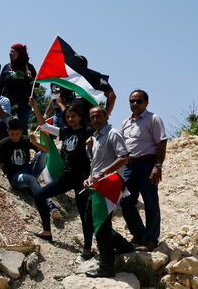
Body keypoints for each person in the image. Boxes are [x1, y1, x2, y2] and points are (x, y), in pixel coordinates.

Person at [30, 98, 96, 259]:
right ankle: (47, 231)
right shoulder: (65, 131)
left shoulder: (88, 131)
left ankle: (87, 248)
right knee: (39, 196)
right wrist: (36, 107)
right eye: (67, 117)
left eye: (73, 116)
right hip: (67, 176)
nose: (70, 119)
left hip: (83, 179)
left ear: (80, 116)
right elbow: (44, 126)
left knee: (84, 214)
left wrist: (91, 143)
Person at [84, 106, 133, 278]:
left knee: (101, 226)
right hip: (97, 185)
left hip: (108, 184)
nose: (95, 120)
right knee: (93, 221)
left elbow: (124, 158)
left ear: (106, 116)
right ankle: (123, 246)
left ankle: (106, 267)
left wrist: (101, 174)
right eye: (92, 117)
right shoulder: (96, 137)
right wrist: (90, 177)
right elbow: (97, 163)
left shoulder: (113, 133)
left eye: (98, 116)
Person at [120, 89, 167, 252]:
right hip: (129, 166)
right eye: (132, 101)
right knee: (125, 202)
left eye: (138, 101)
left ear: (146, 103)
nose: (134, 104)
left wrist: (157, 165)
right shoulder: (126, 123)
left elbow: (162, 143)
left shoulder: (153, 119)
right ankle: (139, 234)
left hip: (147, 164)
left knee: (150, 202)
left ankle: (151, 240)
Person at [0, 118, 58, 216]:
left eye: (17, 134)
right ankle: (48, 204)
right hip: (16, 178)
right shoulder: (3, 144)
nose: (15, 137)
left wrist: (35, 143)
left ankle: (33, 188)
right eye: (12, 134)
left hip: (29, 171)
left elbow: (46, 150)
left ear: (21, 131)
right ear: (8, 131)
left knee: (43, 155)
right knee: (31, 179)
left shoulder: (25, 139)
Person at [0, 43, 37, 132]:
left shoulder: (29, 67)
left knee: (22, 128)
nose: (10, 53)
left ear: (20, 53)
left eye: (13, 51)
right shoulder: (6, 68)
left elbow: (36, 84)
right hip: (8, 104)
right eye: (9, 51)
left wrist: (30, 77)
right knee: (6, 127)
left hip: (24, 104)